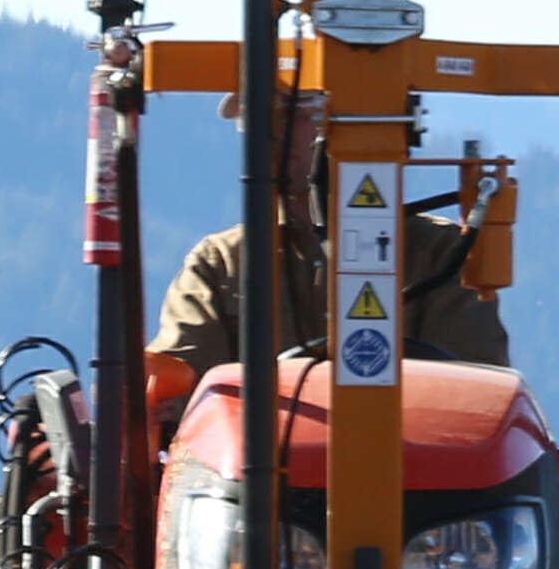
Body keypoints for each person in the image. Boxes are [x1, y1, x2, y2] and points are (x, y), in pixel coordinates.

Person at [143, 108, 507, 431]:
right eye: (257, 120)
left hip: (417, 481)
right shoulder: (220, 263)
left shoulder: (440, 254)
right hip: (254, 490)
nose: (272, 134)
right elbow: (172, 389)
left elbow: (476, 394)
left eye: (293, 115)